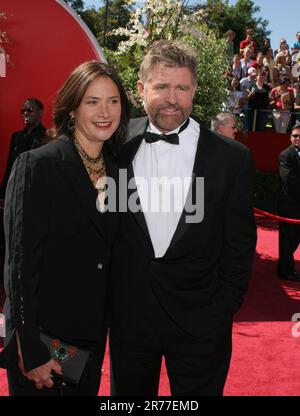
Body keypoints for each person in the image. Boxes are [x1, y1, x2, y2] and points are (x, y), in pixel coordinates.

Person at [110, 40, 257, 396]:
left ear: (194, 91)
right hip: (130, 320)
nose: (172, 98)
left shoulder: (230, 158)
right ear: (141, 88)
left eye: (182, 88)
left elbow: (240, 243)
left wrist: (223, 307)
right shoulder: (113, 146)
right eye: (161, 86)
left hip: (201, 322)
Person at [0, 61, 130, 395]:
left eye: (113, 101)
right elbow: (19, 265)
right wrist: (30, 348)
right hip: (44, 341)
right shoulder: (38, 165)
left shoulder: (119, 173)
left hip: (90, 339)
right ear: (72, 109)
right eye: (92, 101)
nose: (105, 112)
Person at [0, 98, 46, 199]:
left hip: (37, 192)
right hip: (16, 190)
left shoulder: (47, 136)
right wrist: (3, 193)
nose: (25, 113)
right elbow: (10, 165)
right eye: (23, 111)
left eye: (29, 110)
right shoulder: (16, 137)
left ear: (40, 112)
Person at [277, 121, 300, 282]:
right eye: (295, 136)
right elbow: (289, 182)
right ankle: (285, 270)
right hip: (290, 206)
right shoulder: (285, 155)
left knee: (295, 239)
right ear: (290, 138)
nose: (297, 139)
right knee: (288, 240)